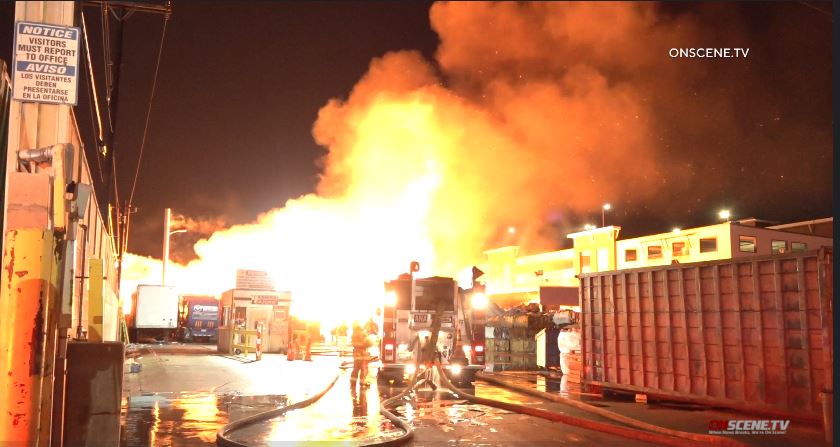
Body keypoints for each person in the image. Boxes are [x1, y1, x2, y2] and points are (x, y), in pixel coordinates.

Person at [350, 322, 370, 389]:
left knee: (357, 368)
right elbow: (365, 342)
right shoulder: (359, 333)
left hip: (357, 353)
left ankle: (353, 383)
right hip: (361, 353)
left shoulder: (354, 333)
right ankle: (362, 382)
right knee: (363, 368)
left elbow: (355, 343)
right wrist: (367, 343)